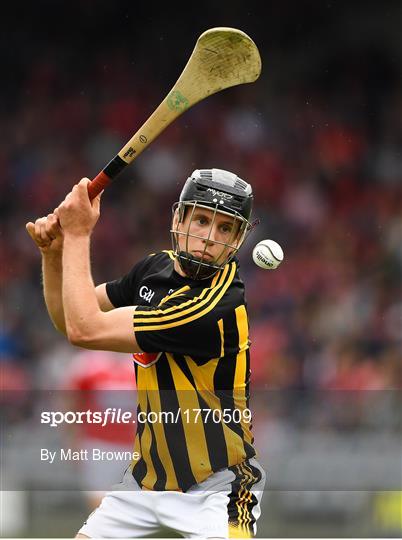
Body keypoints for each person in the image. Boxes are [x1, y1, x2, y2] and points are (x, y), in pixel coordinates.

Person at [26, 168, 266, 539]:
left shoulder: (215, 307)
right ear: (179, 217)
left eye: (225, 229)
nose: (209, 237)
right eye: (202, 220)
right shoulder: (154, 269)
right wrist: (54, 255)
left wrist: (77, 233)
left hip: (217, 490)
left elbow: (84, 329)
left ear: (238, 240)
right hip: (144, 483)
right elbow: (68, 317)